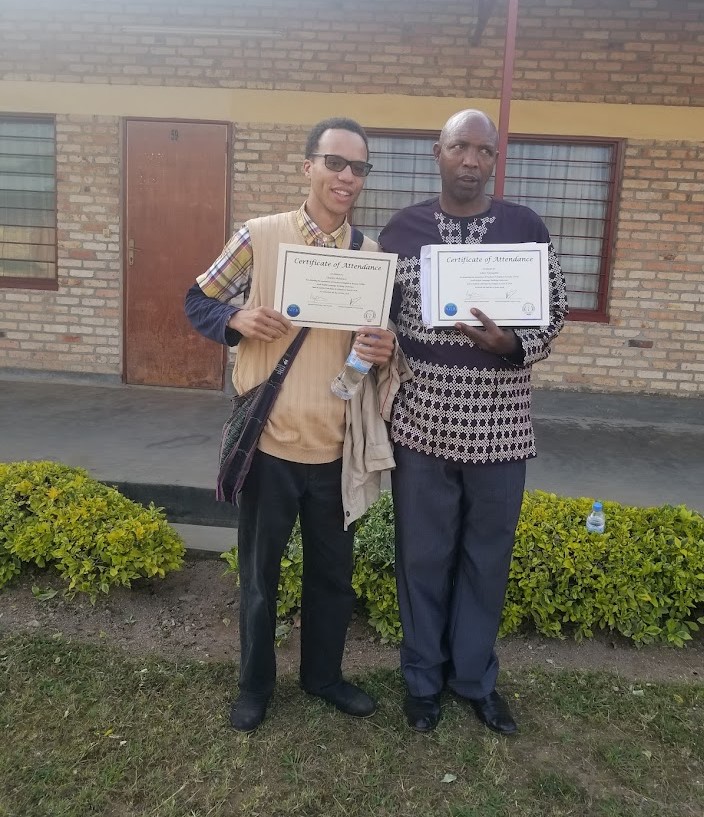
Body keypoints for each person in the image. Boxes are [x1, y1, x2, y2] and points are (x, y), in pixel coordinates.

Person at [185, 117, 396, 733]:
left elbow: (376, 347)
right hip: (270, 446)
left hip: (335, 450)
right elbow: (197, 300)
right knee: (260, 579)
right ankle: (255, 686)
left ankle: (323, 677)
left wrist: (383, 350)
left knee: (333, 578)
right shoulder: (260, 235)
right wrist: (237, 319)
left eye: (358, 168)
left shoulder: (371, 257)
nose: (347, 178)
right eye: (335, 163)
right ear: (308, 166)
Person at [379, 109, 568, 735]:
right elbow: (378, 315)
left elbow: (555, 312)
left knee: (487, 558)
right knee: (423, 557)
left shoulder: (525, 228)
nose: (470, 161)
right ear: (438, 152)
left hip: (501, 425)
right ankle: (423, 683)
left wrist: (511, 344)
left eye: (482, 151)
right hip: (423, 422)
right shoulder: (401, 232)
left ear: (494, 159)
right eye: (459, 147)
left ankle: (473, 680)